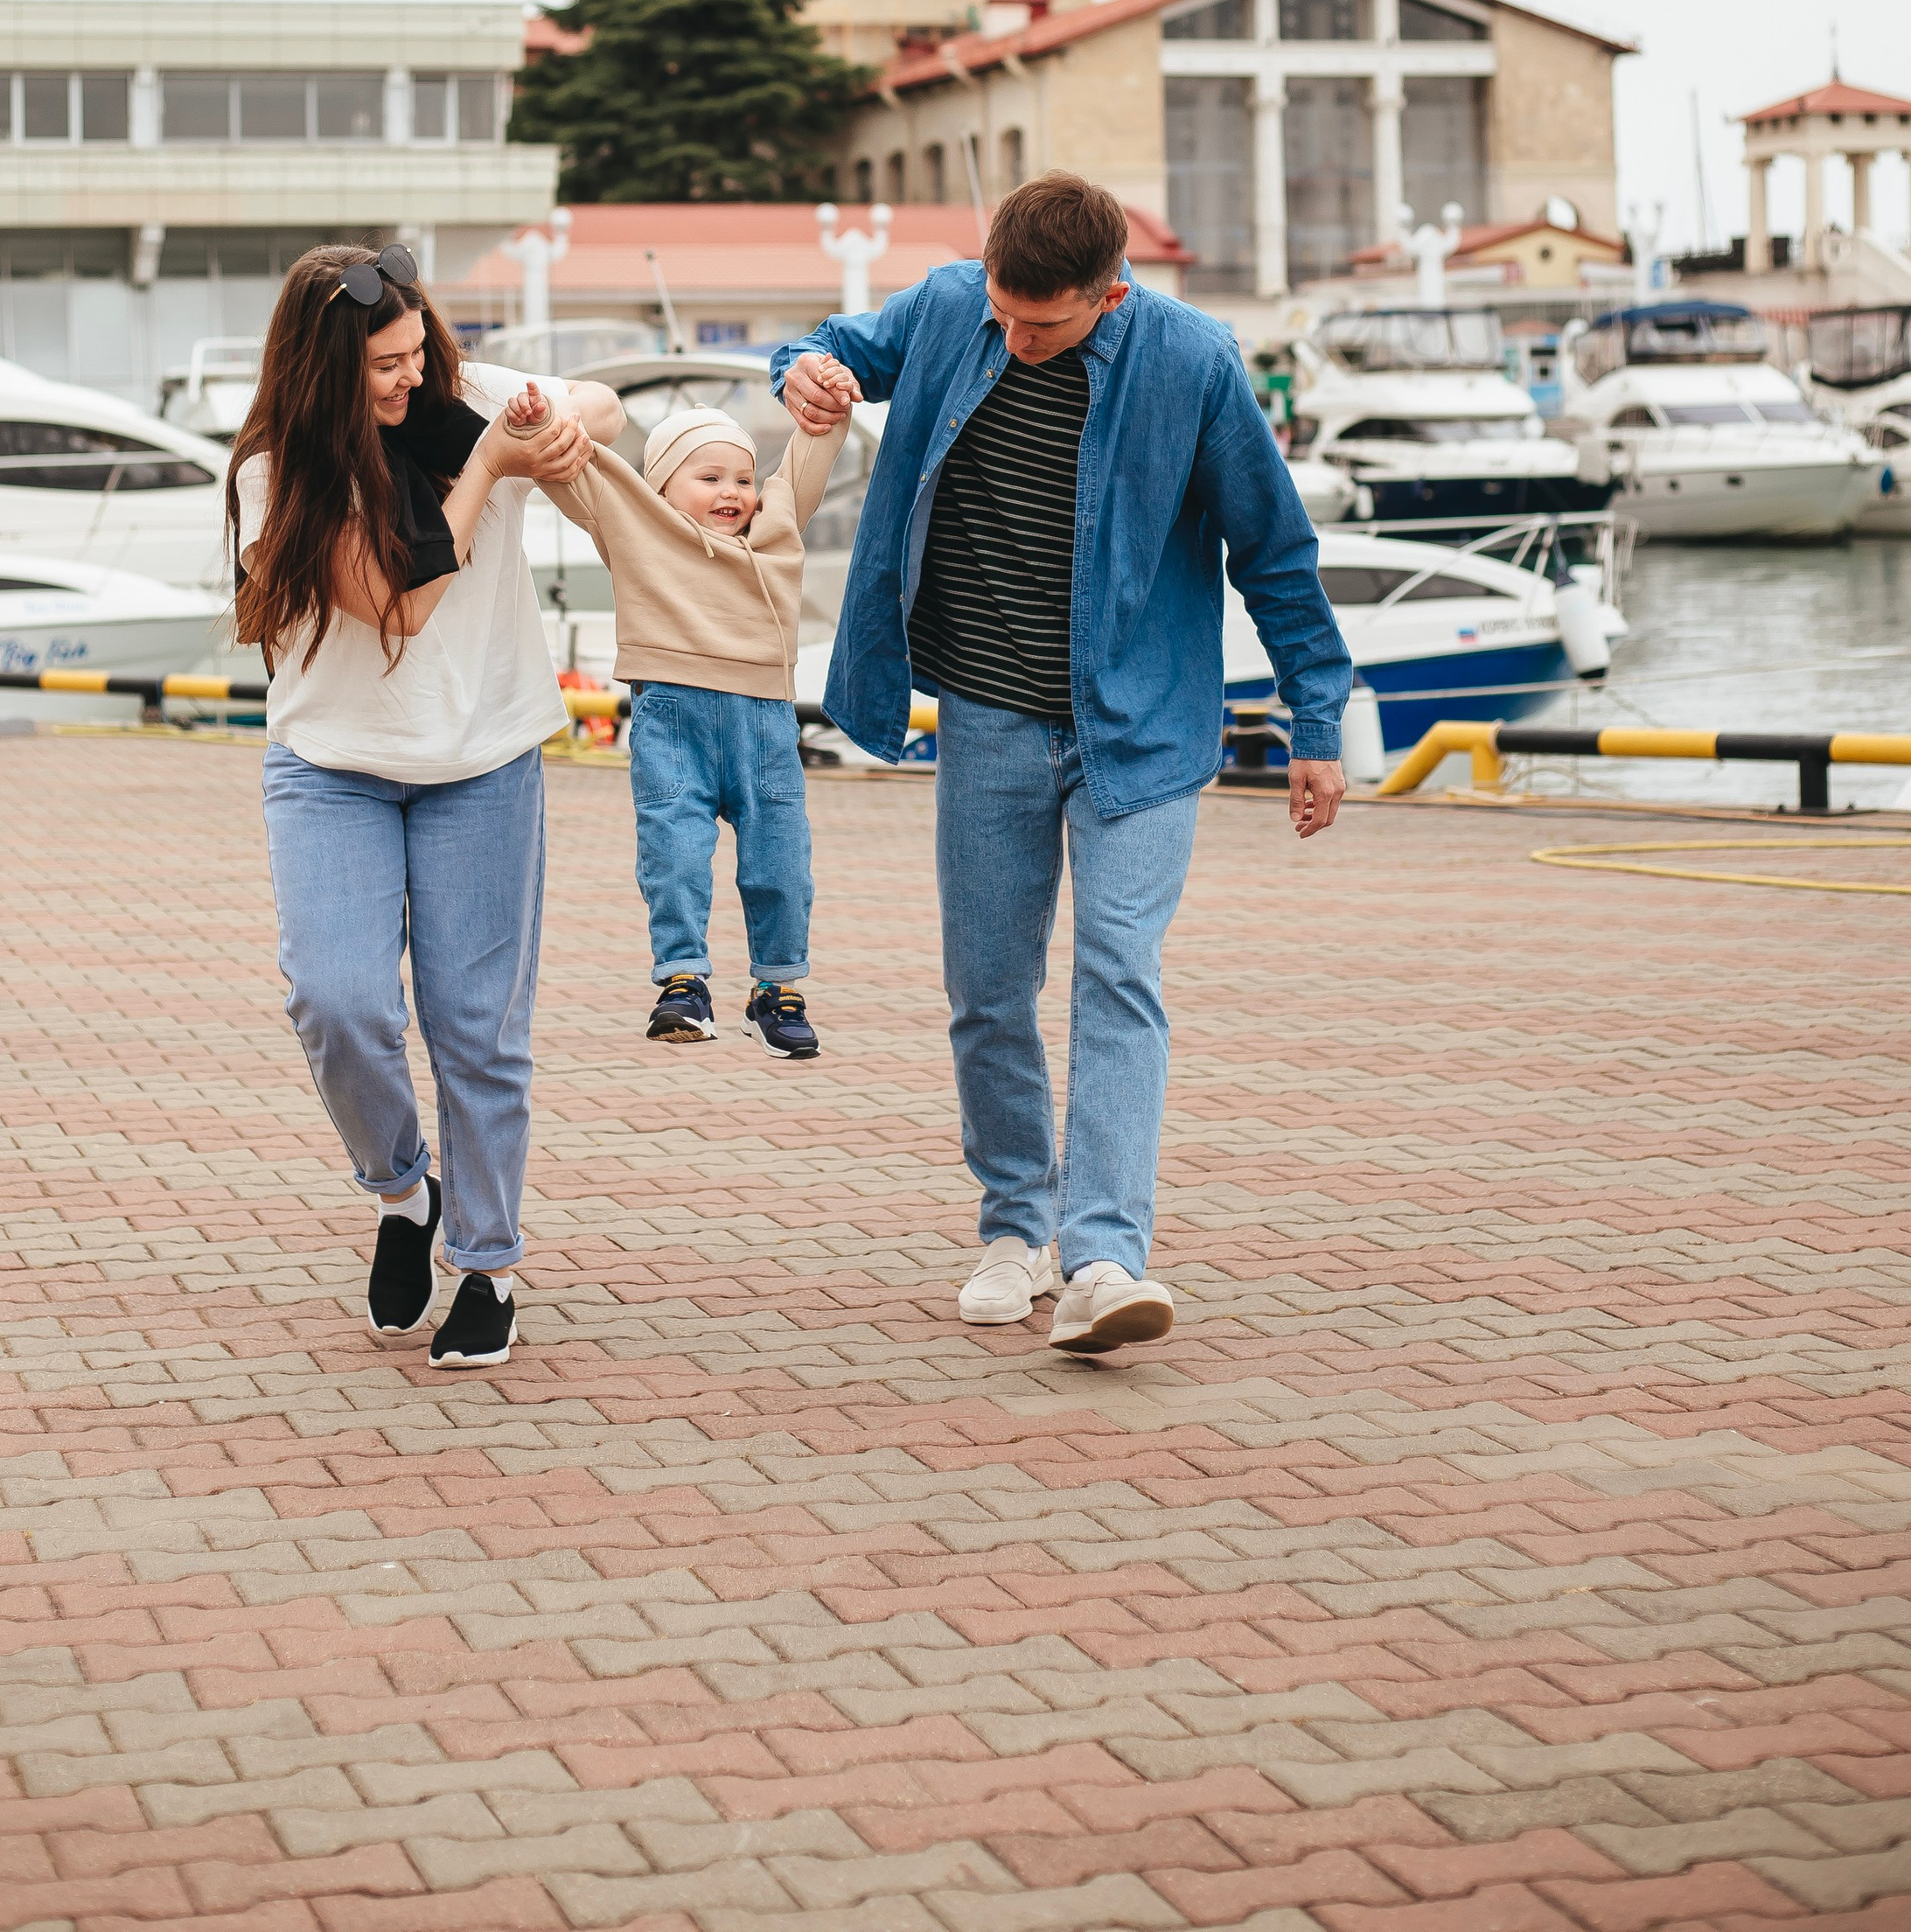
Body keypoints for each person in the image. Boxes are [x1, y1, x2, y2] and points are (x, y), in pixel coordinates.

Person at [773, 173, 1350, 1358]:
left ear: (1112, 293)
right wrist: (803, 366)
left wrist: (1318, 720)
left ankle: (1101, 1258)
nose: (1019, 339)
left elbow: (1276, 553)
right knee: (987, 988)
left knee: (1115, 972)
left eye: (1047, 323)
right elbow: (831, 346)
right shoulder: (948, 309)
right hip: (987, 718)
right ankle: (1012, 1228)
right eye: (1005, 311)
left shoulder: (1192, 363)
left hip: (1140, 728)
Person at [229, 241, 623, 1370]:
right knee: (336, 1003)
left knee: (476, 1033)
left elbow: (599, 403)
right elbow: (393, 596)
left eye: (416, 355)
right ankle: (405, 1190)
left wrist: (556, 416)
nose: (410, 381)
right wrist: (493, 468)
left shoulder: (464, 400)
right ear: (321, 375)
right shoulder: (277, 473)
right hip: (333, 768)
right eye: (383, 368)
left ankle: (490, 1264)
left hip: (486, 762)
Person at [532, 384, 858, 1051]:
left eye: (742, 476)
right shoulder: (635, 525)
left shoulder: (775, 527)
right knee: (673, 854)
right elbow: (573, 473)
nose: (731, 491)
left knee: (782, 861)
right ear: (659, 488)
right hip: (671, 718)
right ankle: (683, 983)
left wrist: (831, 400)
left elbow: (813, 448)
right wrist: (541, 426)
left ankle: (777, 989)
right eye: (708, 477)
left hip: (764, 723)